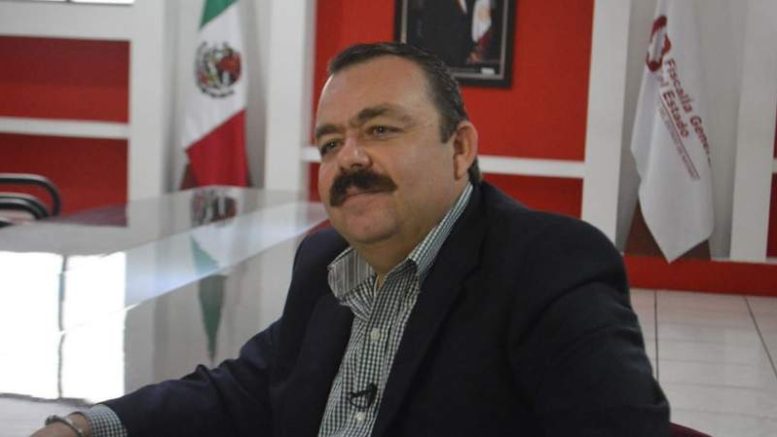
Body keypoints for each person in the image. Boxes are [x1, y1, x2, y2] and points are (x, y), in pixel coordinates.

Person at [33, 41, 669, 437]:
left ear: (460, 149)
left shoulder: (548, 266)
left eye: (381, 129)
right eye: (331, 143)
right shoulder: (326, 262)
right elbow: (248, 390)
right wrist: (88, 427)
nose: (349, 159)